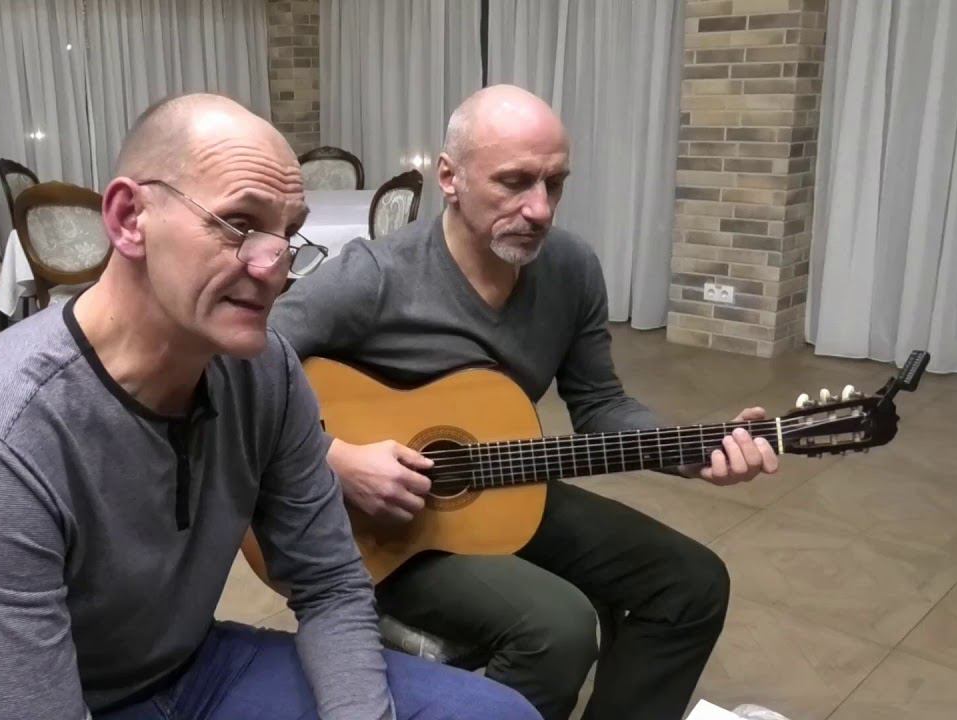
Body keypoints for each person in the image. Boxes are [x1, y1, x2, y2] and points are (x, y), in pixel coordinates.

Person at [0, 93, 540, 720]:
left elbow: (328, 583)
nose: (274, 267)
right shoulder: (0, 432)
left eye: (288, 234)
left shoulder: (264, 372)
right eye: (240, 223)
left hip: (191, 668)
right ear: (129, 218)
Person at [269, 84, 780, 720]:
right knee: (557, 629)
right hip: (377, 529)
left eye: (554, 184)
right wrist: (334, 457)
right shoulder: (376, 275)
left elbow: (600, 402)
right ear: (450, 179)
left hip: (502, 484)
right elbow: (239, 367)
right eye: (513, 183)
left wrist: (688, 452)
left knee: (691, 583)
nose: (539, 209)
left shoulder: (571, 269)